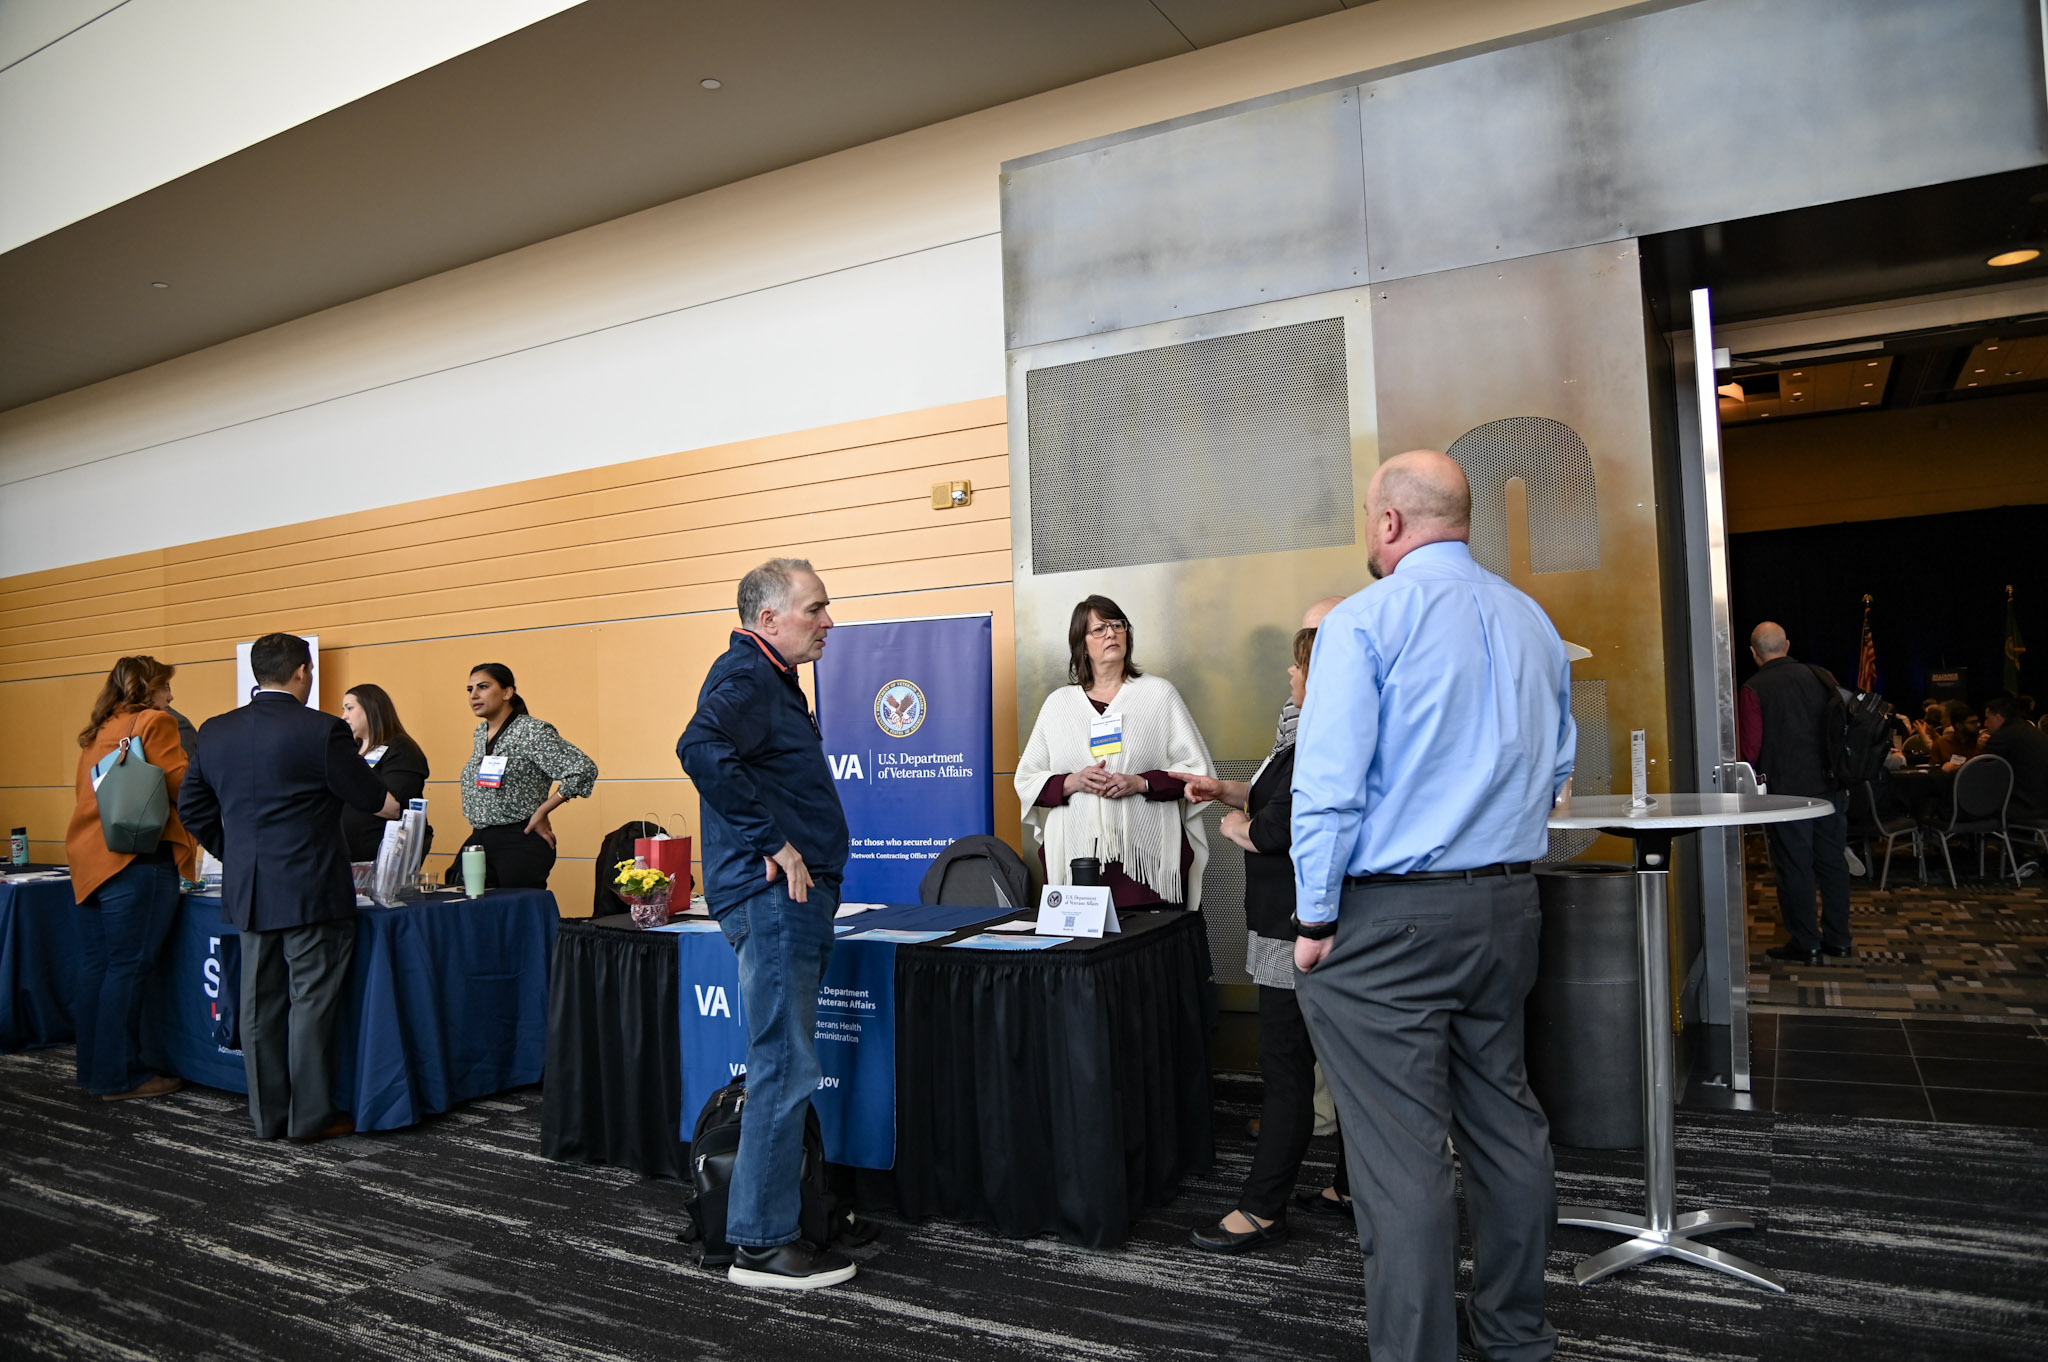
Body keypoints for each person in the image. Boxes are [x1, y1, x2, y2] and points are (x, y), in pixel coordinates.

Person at [1291, 449, 1573, 1362]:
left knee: (1400, 1158)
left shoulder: (1365, 621)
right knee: (1506, 1124)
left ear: (1388, 523)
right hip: (1508, 910)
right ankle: (1514, 1338)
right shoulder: (1533, 620)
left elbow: (1328, 788)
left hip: (1390, 922)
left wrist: (1314, 919)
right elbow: (1559, 771)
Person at [677, 557, 855, 1291]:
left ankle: (756, 1229)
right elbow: (699, 749)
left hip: (785, 899)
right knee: (784, 1064)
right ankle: (763, 1243)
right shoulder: (747, 674)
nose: (828, 622)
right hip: (773, 896)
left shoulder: (768, 677)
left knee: (783, 1062)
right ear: (768, 620)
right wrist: (774, 843)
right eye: (814, 608)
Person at [178, 633, 399, 1141]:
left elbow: (192, 809)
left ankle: (267, 1117)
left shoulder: (215, 732)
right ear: (303, 671)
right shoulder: (323, 731)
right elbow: (369, 795)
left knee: (258, 1007)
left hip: (251, 890)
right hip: (311, 889)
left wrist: (239, 855)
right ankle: (311, 1118)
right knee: (312, 1005)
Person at [1184, 622, 1350, 1254]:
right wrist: (1228, 791)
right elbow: (1270, 793)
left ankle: (1261, 1209)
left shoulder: (1319, 741)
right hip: (1308, 924)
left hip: (1292, 931)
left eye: (1297, 666)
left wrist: (1236, 826)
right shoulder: (1307, 736)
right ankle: (1350, 1187)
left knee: (1286, 1075)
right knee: (1341, 1068)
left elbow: (1278, 828)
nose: (1289, 675)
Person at [1014, 596, 1216, 910]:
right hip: (1078, 867)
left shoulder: (1158, 694)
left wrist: (1141, 783)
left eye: (1117, 625)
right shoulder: (1058, 704)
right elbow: (1027, 781)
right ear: (1081, 645)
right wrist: (1074, 781)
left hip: (1146, 869)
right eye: (1099, 629)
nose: (1111, 634)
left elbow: (1197, 773)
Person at [63, 655, 200, 1101]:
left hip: (89, 862)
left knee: (96, 968)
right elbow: (181, 785)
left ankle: (94, 1070)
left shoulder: (99, 729)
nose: (170, 696)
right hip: (135, 862)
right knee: (128, 968)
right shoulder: (153, 722)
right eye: (165, 687)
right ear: (148, 688)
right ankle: (123, 1077)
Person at [1738, 622, 1852, 965]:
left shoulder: (1754, 688)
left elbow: (1750, 749)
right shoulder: (1822, 676)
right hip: (1830, 786)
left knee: (1795, 867)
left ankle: (1807, 942)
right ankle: (1840, 939)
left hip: (1786, 795)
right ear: (1787, 644)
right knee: (1833, 863)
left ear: (1754, 653)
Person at [445, 663, 597, 890]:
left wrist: (542, 811)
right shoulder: (480, 733)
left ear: (507, 692)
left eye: (483, 687)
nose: (474, 695)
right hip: (481, 838)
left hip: (518, 839)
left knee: (514, 915)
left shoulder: (532, 731)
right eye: (470, 689)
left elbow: (583, 769)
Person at [339, 683, 432, 862]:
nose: (344, 716)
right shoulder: (351, 749)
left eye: (350, 708)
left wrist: (347, 782)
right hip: (348, 854)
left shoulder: (400, 748)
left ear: (371, 708)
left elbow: (394, 807)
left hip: (384, 858)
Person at [1984, 694, 2048, 820]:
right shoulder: (2036, 733)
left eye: (1988, 719)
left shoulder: (2003, 737)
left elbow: (1980, 772)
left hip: (2022, 808)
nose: (1985, 724)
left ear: (1998, 717)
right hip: (2042, 805)